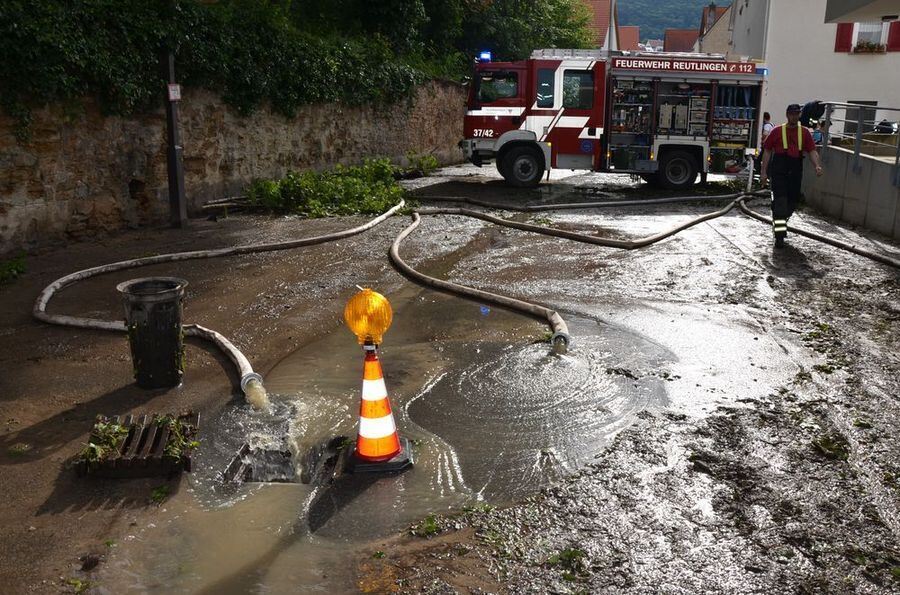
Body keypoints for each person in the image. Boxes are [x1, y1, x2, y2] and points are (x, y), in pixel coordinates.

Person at [759, 103, 824, 247]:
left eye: (797, 114)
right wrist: (763, 172)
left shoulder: (805, 133)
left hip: (795, 171)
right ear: (787, 115)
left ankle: (779, 218)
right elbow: (767, 151)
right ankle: (779, 236)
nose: (794, 116)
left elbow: (812, 151)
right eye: (792, 114)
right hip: (779, 170)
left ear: (799, 115)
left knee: (791, 203)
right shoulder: (777, 131)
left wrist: (817, 166)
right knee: (781, 204)